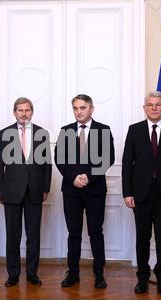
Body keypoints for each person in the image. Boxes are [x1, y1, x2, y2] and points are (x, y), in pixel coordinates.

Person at [121, 91, 161, 295]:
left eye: (158, 104)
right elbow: (126, 165)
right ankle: (142, 278)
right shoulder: (135, 130)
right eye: (150, 105)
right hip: (140, 195)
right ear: (144, 108)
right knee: (142, 238)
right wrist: (127, 192)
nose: (154, 108)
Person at [54, 94, 115, 289]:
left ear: (91, 109)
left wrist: (88, 177)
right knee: (73, 233)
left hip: (95, 190)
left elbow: (108, 158)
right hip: (71, 191)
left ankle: (99, 274)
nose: (79, 111)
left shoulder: (103, 130)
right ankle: (73, 273)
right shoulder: (66, 131)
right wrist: (73, 178)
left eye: (82, 107)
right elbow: (60, 159)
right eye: (75, 108)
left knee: (96, 232)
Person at [0, 97, 52, 287]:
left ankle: (32, 274)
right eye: (20, 110)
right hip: (11, 191)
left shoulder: (42, 133)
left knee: (33, 235)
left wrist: (45, 188)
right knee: (13, 234)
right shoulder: (5, 133)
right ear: (14, 112)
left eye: (27, 110)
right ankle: (13, 274)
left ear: (31, 112)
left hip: (35, 191)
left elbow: (46, 165)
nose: (24, 114)